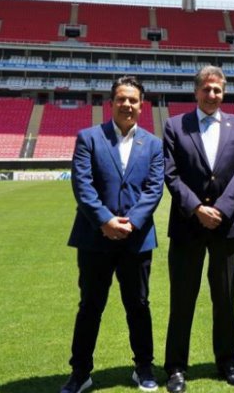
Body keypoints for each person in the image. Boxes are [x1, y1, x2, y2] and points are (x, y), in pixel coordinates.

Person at [61, 76, 164, 393]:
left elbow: (154, 189)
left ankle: (143, 367)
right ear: (112, 103)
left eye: (133, 100)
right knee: (90, 305)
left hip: (137, 239)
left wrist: (130, 223)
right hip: (95, 239)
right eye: (121, 99)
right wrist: (105, 221)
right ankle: (80, 372)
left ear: (141, 105)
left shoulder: (154, 144)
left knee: (139, 305)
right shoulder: (89, 138)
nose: (127, 105)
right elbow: (83, 185)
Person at [162, 65, 234, 393]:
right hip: (187, 226)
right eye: (207, 89)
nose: (212, 95)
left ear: (223, 92)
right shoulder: (175, 126)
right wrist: (197, 208)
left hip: (226, 227)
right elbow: (170, 174)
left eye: (218, 90)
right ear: (196, 91)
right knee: (182, 299)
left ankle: (228, 361)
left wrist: (221, 209)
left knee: (225, 298)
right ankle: (175, 369)